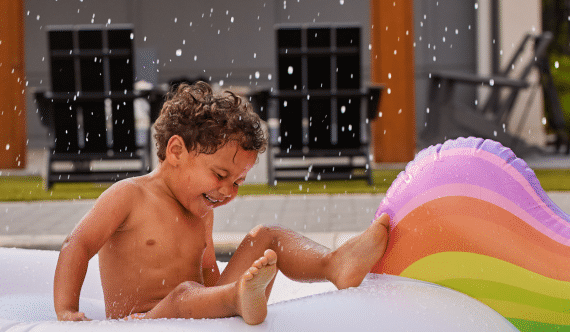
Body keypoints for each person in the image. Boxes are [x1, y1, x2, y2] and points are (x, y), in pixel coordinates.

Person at [53, 81, 390, 324]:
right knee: (184, 293)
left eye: (238, 182)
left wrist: (224, 292)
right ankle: (240, 299)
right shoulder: (129, 196)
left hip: (197, 312)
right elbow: (78, 245)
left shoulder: (201, 212)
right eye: (219, 174)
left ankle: (333, 265)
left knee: (266, 236)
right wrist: (67, 310)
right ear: (176, 152)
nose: (228, 191)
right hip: (145, 322)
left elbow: (208, 274)